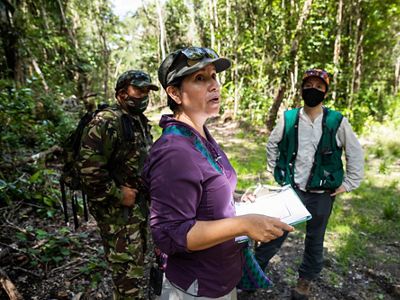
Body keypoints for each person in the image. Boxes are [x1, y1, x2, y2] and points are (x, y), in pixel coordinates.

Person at [142, 46, 294, 299]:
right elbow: (170, 234)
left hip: (221, 277)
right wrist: (243, 224)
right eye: (200, 79)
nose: (214, 85)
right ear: (174, 93)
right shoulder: (174, 152)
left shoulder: (199, 135)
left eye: (213, 76)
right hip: (197, 287)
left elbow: (203, 198)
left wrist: (234, 205)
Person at [255, 68, 364, 300]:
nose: (312, 90)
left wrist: (348, 183)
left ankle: (304, 283)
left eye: (318, 86)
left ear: (325, 92)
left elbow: (355, 152)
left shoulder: (337, 121)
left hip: (323, 193)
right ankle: (251, 275)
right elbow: (272, 144)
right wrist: (276, 172)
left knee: (315, 239)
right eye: (308, 85)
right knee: (274, 234)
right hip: (292, 190)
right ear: (301, 88)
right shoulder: (289, 118)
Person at [78, 70, 158, 299]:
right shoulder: (106, 121)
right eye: (138, 89)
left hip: (135, 210)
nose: (143, 95)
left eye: (146, 90)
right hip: (117, 213)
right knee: (127, 275)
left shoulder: (137, 120)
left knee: (134, 267)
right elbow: (89, 171)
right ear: (122, 93)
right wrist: (117, 194)